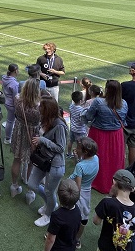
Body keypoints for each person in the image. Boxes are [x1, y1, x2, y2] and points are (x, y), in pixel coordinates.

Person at [28, 97, 68, 227]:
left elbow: (61, 148)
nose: (39, 110)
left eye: (42, 108)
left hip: (55, 164)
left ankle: (49, 215)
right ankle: (50, 204)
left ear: (48, 110)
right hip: (43, 160)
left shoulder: (59, 126)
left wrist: (43, 141)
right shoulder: (45, 120)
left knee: (50, 191)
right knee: (32, 184)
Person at [85, 79, 127, 194]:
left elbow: (88, 116)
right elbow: (123, 120)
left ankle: (98, 181)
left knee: (98, 157)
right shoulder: (124, 103)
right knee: (114, 158)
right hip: (116, 135)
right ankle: (114, 182)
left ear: (107, 90)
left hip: (99, 133)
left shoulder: (98, 102)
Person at [10, 77, 42, 199]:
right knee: (31, 163)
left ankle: (14, 186)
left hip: (19, 130)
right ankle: (30, 192)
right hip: (33, 134)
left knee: (17, 159)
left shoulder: (18, 99)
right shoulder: (39, 106)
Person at [71, 137, 100, 249]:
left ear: (85, 151)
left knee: (72, 214)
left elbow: (77, 186)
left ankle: (69, 236)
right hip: (87, 190)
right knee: (84, 215)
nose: (76, 149)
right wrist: (77, 158)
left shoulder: (80, 166)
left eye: (78, 148)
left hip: (79, 192)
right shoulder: (96, 158)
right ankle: (77, 239)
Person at [1, 63, 20, 144]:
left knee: (10, 120)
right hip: (12, 104)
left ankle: (8, 137)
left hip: (7, 101)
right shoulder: (14, 84)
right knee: (10, 121)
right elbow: (15, 97)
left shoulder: (5, 78)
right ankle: (8, 138)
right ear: (15, 71)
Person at [67, 90, 87, 159]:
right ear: (81, 100)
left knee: (71, 141)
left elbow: (71, 116)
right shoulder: (81, 110)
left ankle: (69, 153)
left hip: (73, 128)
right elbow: (82, 121)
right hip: (80, 130)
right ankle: (79, 157)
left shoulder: (71, 106)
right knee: (79, 144)